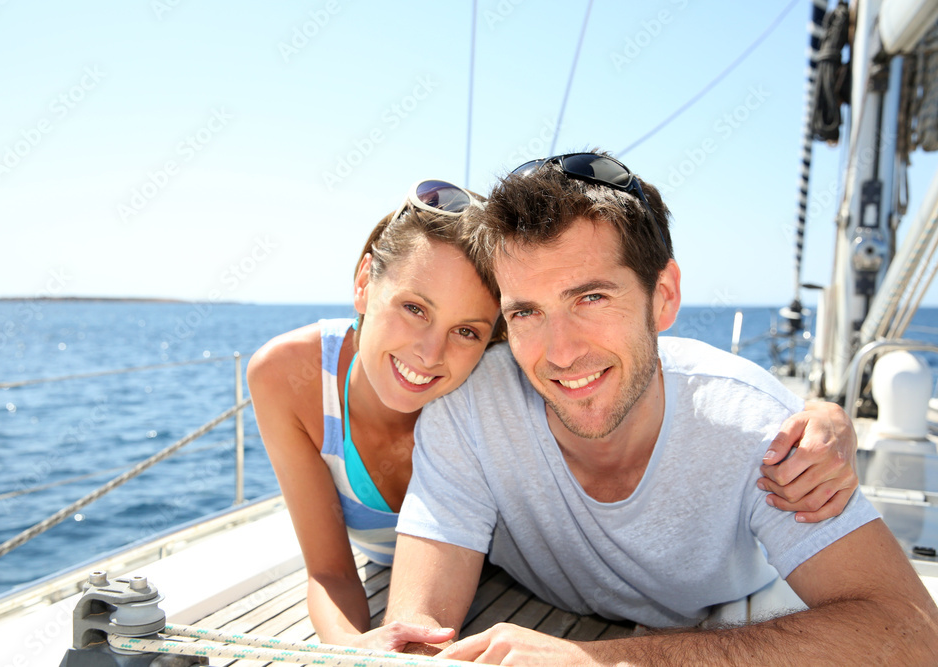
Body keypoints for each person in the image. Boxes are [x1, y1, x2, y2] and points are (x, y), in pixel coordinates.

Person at [248, 177, 861, 651]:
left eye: (468, 330)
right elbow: (348, 580)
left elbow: (626, 361)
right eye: (412, 307)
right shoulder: (309, 379)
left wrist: (817, 414)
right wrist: (357, 653)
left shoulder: (490, 386)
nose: (430, 354)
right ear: (364, 282)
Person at [384, 153, 938, 664]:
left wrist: (601, 661)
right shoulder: (469, 412)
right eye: (526, 312)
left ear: (664, 296)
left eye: (591, 298)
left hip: (740, 618)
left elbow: (912, 633)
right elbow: (413, 634)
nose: (561, 353)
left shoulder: (755, 428)